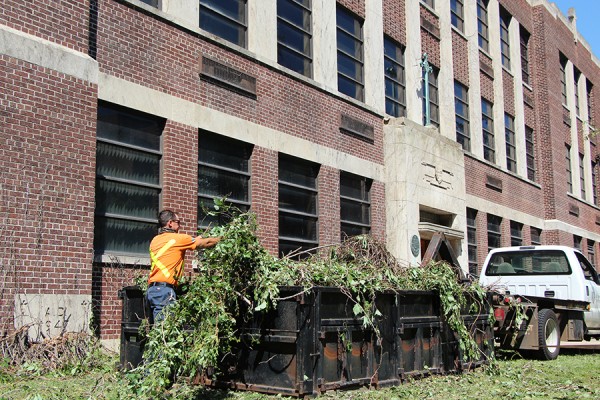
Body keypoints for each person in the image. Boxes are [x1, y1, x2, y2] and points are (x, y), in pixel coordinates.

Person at [147, 209, 221, 323]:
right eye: (178, 222)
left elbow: (172, 249)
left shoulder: (155, 240)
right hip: (164, 291)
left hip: (151, 291)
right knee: (164, 331)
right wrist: (221, 239)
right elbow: (205, 243)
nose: (179, 226)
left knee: (155, 331)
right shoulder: (179, 238)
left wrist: (194, 239)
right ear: (170, 223)